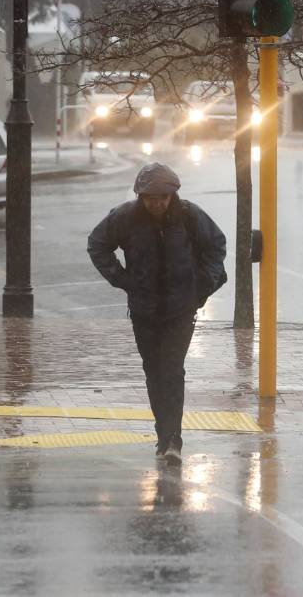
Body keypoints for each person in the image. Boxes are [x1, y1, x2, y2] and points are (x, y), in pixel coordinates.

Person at [87, 163, 227, 464]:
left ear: (172, 195)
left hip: (181, 308)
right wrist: (122, 280)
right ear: (141, 196)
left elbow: (217, 245)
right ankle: (162, 433)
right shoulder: (125, 218)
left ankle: (172, 437)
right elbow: (97, 245)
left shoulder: (190, 216)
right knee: (154, 371)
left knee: (172, 370)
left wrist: (201, 283)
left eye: (162, 197)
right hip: (144, 310)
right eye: (150, 198)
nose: (156, 203)